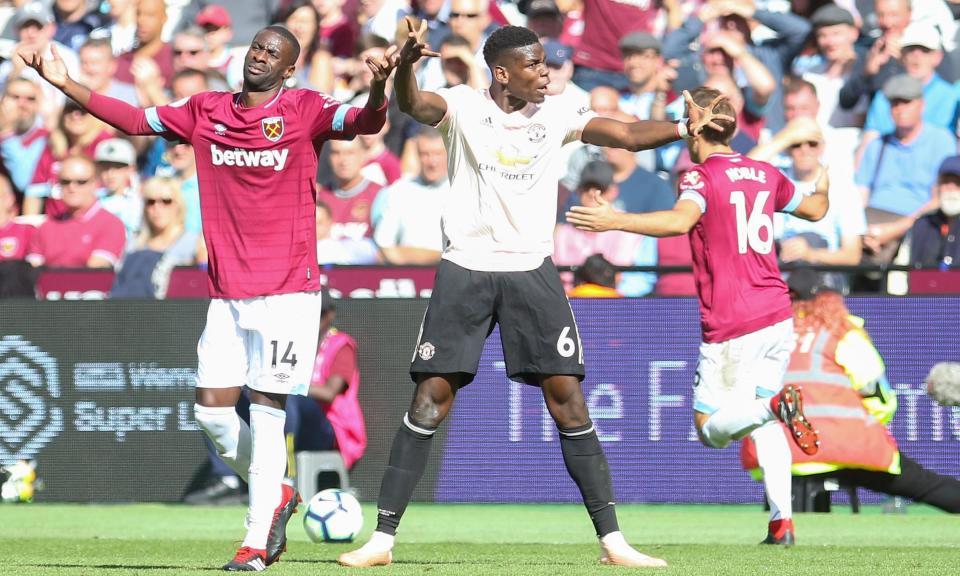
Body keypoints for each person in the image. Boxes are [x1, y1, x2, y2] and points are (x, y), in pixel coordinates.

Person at [339, 21, 731, 569]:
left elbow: (624, 135)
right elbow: (412, 103)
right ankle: (381, 540)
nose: (545, 72)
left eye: (545, 62)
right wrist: (405, 64)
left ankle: (612, 542)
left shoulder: (560, 111)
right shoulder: (462, 106)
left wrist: (678, 126)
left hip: (531, 271)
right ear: (502, 73)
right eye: (533, 64)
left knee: (567, 398)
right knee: (430, 397)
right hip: (466, 270)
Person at [20, 22, 395, 571]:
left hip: (288, 291)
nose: (262, 56)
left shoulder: (305, 108)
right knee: (212, 415)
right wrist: (65, 83)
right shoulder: (205, 109)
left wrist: (382, 85)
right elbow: (132, 119)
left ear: (290, 68)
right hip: (227, 292)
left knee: (267, 411)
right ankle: (279, 494)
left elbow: (366, 121)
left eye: (274, 53)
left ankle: (254, 540)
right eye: (258, 48)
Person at [566, 86, 831, 546]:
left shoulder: (699, 177)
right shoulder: (765, 173)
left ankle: (774, 406)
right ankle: (782, 521)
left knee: (710, 429)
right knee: (759, 417)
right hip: (776, 312)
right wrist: (825, 181)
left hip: (733, 321)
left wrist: (615, 221)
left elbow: (679, 221)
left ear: (696, 131)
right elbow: (816, 208)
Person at [741, 269, 960, 514]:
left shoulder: (763, 338)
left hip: (775, 453)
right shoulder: (841, 334)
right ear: (830, 298)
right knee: (926, 485)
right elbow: (881, 399)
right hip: (844, 448)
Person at [185, 291, 367, 504]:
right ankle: (228, 479)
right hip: (296, 418)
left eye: (317, 315)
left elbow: (329, 393)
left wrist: (287, 382)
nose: (310, 320)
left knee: (287, 394)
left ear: (329, 315)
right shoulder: (293, 337)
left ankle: (284, 477)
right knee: (220, 402)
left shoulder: (340, 344)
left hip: (331, 429)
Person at [25, 154, 126, 268]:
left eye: (81, 182)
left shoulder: (110, 224)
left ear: (95, 184)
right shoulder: (46, 226)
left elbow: (95, 272)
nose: (72, 187)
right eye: (65, 182)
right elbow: (32, 272)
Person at [110, 177, 197, 299]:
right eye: (151, 202)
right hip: (128, 311)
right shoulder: (134, 243)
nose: (157, 208)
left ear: (179, 205)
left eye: (166, 201)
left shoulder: (193, 242)